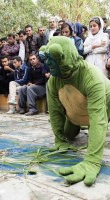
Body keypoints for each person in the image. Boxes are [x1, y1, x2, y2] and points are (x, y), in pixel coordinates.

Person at [40, 36, 110, 186]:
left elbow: (99, 120)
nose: (47, 63)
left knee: (97, 127)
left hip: (102, 111)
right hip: (75, 115)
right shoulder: (53, 81)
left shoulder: (92, 77)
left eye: (53, 58)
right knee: (67, 134)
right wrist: (59, 139)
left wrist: (92, 160)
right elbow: (55, 112)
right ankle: (73, 126)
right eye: (47, 58)